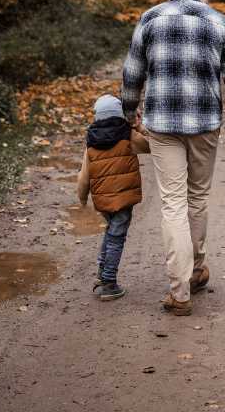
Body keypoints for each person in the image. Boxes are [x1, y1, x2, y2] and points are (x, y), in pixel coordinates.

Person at [121, 0, 225, 316]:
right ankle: (196, 269)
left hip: (162, 124)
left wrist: (129, 113)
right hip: (204, 125)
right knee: (196, 197)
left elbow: (132, 72)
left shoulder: (150, 18)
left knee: (172, 203)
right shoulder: (219, 22)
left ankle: (180, 290)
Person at [76, 93, 150, 301]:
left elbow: (84, 176)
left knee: (111, 232)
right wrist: (139, 127)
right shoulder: (127, 135)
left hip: (103, 201)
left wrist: (82, 199)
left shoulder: (91, 143)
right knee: (117, 237)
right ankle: (109, 282)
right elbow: (151, 145)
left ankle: (102, 272)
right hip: (124, 199)